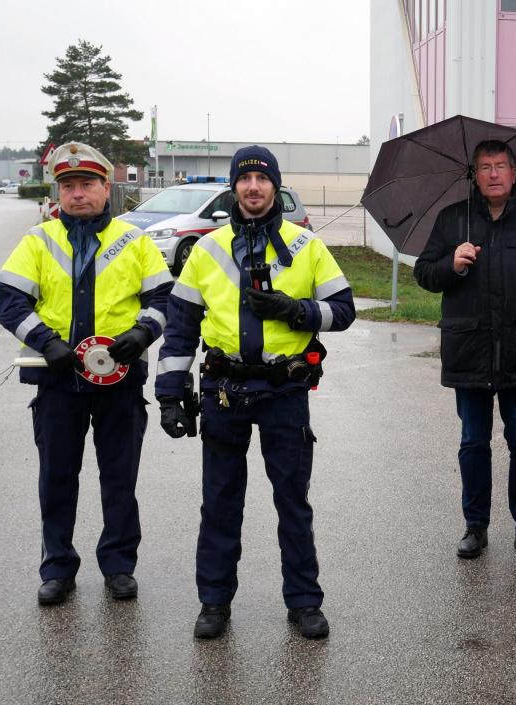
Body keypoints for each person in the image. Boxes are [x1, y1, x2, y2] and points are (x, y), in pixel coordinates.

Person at [155, 145, 355, 640]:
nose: (253, 188)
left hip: (285, 393)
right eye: (244, 180)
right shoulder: (207, 249)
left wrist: (296, 311)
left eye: (262, 179)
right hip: (225, 391)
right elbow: (180, 328)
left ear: (276, 187)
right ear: (233, 188)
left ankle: (304, 602)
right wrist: (169, 392)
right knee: (219, 503)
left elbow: (344, 310)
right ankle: (214, 602)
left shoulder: (306, 245)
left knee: (293, 501)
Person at [0, 142, 172, 605]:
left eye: (87, 184)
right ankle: (57, 568)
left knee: (119, 478)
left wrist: (142, 334)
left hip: (120, 381)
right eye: (68, 186)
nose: (77, 194)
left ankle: (118, 566)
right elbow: (9, 300)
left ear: (105, 187)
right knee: (56, 477)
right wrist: (47, 343)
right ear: (59, 191)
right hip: (58, 381)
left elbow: (165, 300)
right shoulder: (38, 240)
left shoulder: (135, 241)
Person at [414, 139, 516, 561]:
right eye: (485, 167)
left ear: (514, 173)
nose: (494, 174)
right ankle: (475, 527)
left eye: (501, 165)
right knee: (473, 444)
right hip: (470, 351)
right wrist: (452, 263)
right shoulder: (452, 222)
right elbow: (424, 274)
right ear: (475, 175)